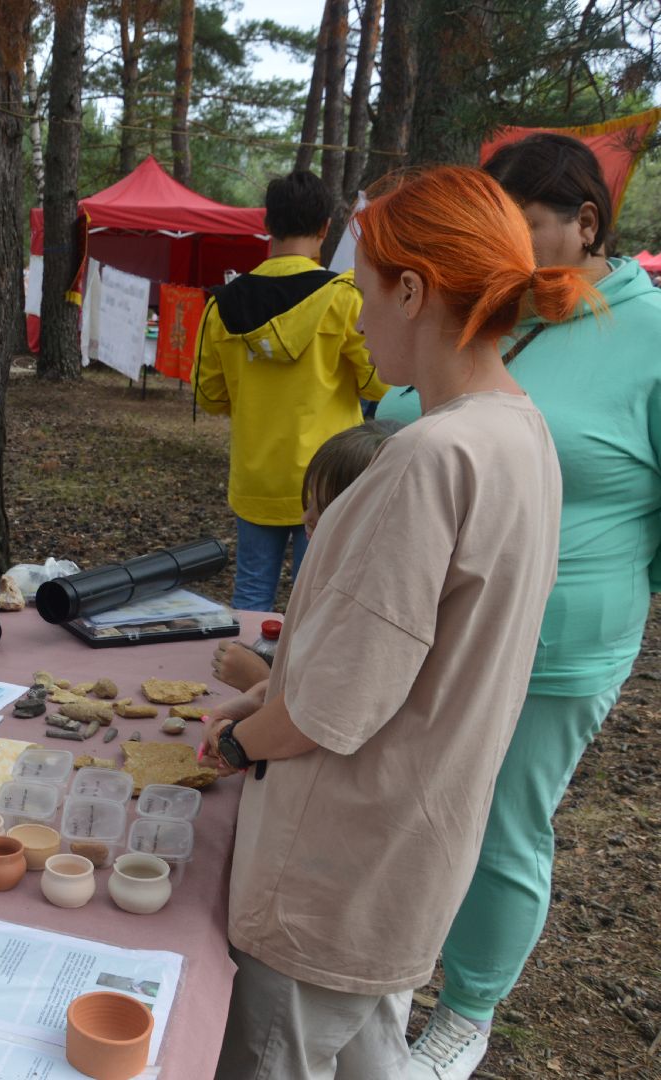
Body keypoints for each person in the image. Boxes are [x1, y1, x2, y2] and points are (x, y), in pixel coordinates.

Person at [200, 165, 594, 1078]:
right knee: (370, 1048)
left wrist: (239, 740)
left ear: (412, 290)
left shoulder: (428, 456)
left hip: (330, 875)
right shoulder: (521, 429)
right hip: (408, 856)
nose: (357, 314)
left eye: (363, 289)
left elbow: (329, 709)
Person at [373, 135, 661, 1080]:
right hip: (426, 611)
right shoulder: (505, 304)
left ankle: (467, 1009)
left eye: (525, 227)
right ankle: (394, 966)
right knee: (410, 793)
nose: (504, 246)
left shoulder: (648, 334)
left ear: (587, 223)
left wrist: (607, 590)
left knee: (501, 818)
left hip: (557, 637)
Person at [192, 170, 390, 612]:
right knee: (316, 596)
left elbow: (209, 395)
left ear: (268, 225)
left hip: (255, 475)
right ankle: (300, 682)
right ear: (325, 228)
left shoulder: (222, 305)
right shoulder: (344, 300)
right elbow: (378, 382)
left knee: (250, 591)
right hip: (329, 480)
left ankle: (241, 675)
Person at [211, 418, 403, 691]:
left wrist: (261, 681)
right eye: (310, 499)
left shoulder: (366, 608)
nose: (306, 516)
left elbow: (331, 711)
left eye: (325, 507)